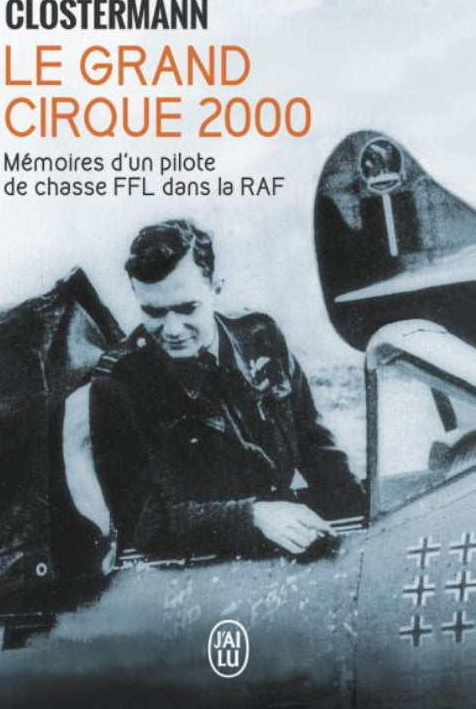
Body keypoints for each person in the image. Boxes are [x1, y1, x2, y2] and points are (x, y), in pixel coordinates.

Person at [90, 219, 365, 559]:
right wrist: (251, 516)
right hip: (201, 565)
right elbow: (145, 525)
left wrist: (364, 527)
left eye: (187, 308)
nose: (173, 329)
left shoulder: (260, 336)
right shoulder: (119, 381)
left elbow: (319, 451)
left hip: (287, 542)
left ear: (215, 288)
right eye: (154, 312)